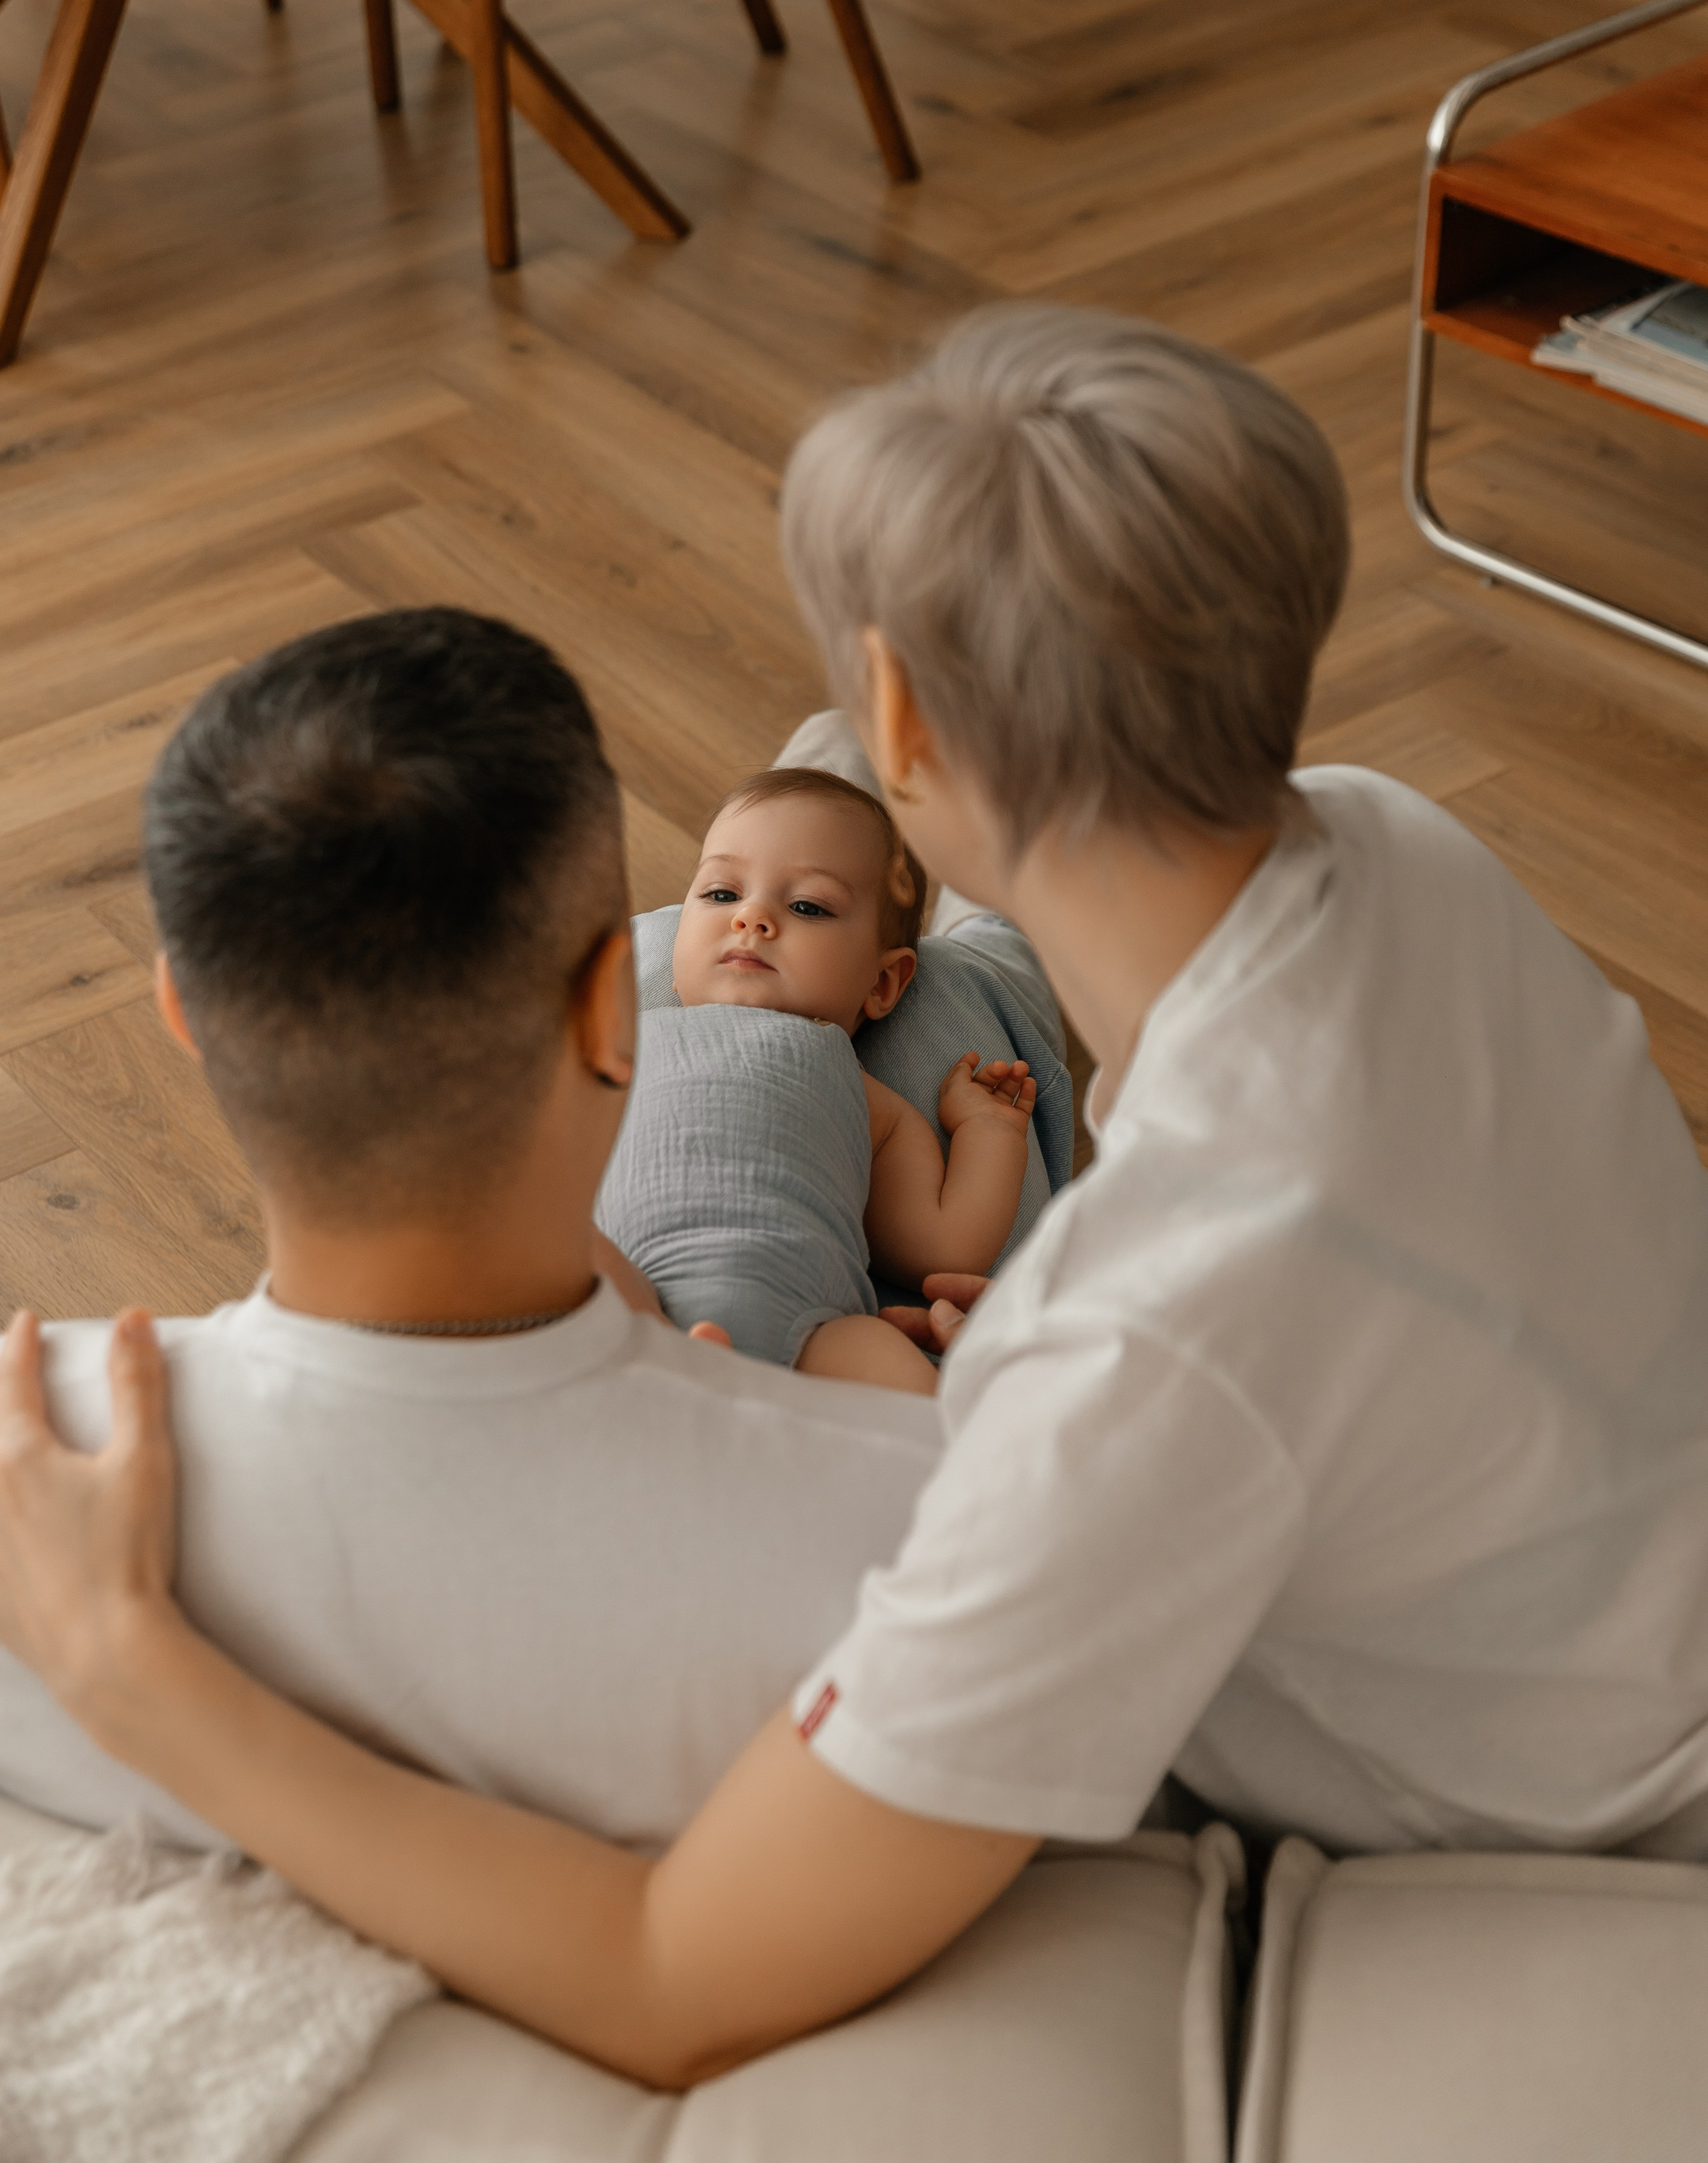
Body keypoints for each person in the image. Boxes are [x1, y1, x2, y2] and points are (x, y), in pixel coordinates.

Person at [6, 302, 1708, 2094]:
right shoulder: (1396, 839)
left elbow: (678, 1979)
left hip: (1600, 1815)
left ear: (896, 714)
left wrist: (137, 1676)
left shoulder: (1142, 1351)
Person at [0, 608, 943, 1843]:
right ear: (622, 1008)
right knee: (861, 780)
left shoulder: (39, 1473)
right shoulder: (909, 1513)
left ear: (183, 1011)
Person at [598, 766, 1037, 1372]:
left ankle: (989, 900)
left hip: (804, 1339)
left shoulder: (863, 1096)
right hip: (616, 1314)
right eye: (722, 894)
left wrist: (989, 1132)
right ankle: (988, 913)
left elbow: (945, 1249)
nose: (749, 918)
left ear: (882, 984)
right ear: (671, 955)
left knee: (890, 1362)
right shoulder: (623, 1038)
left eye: (807, 905)